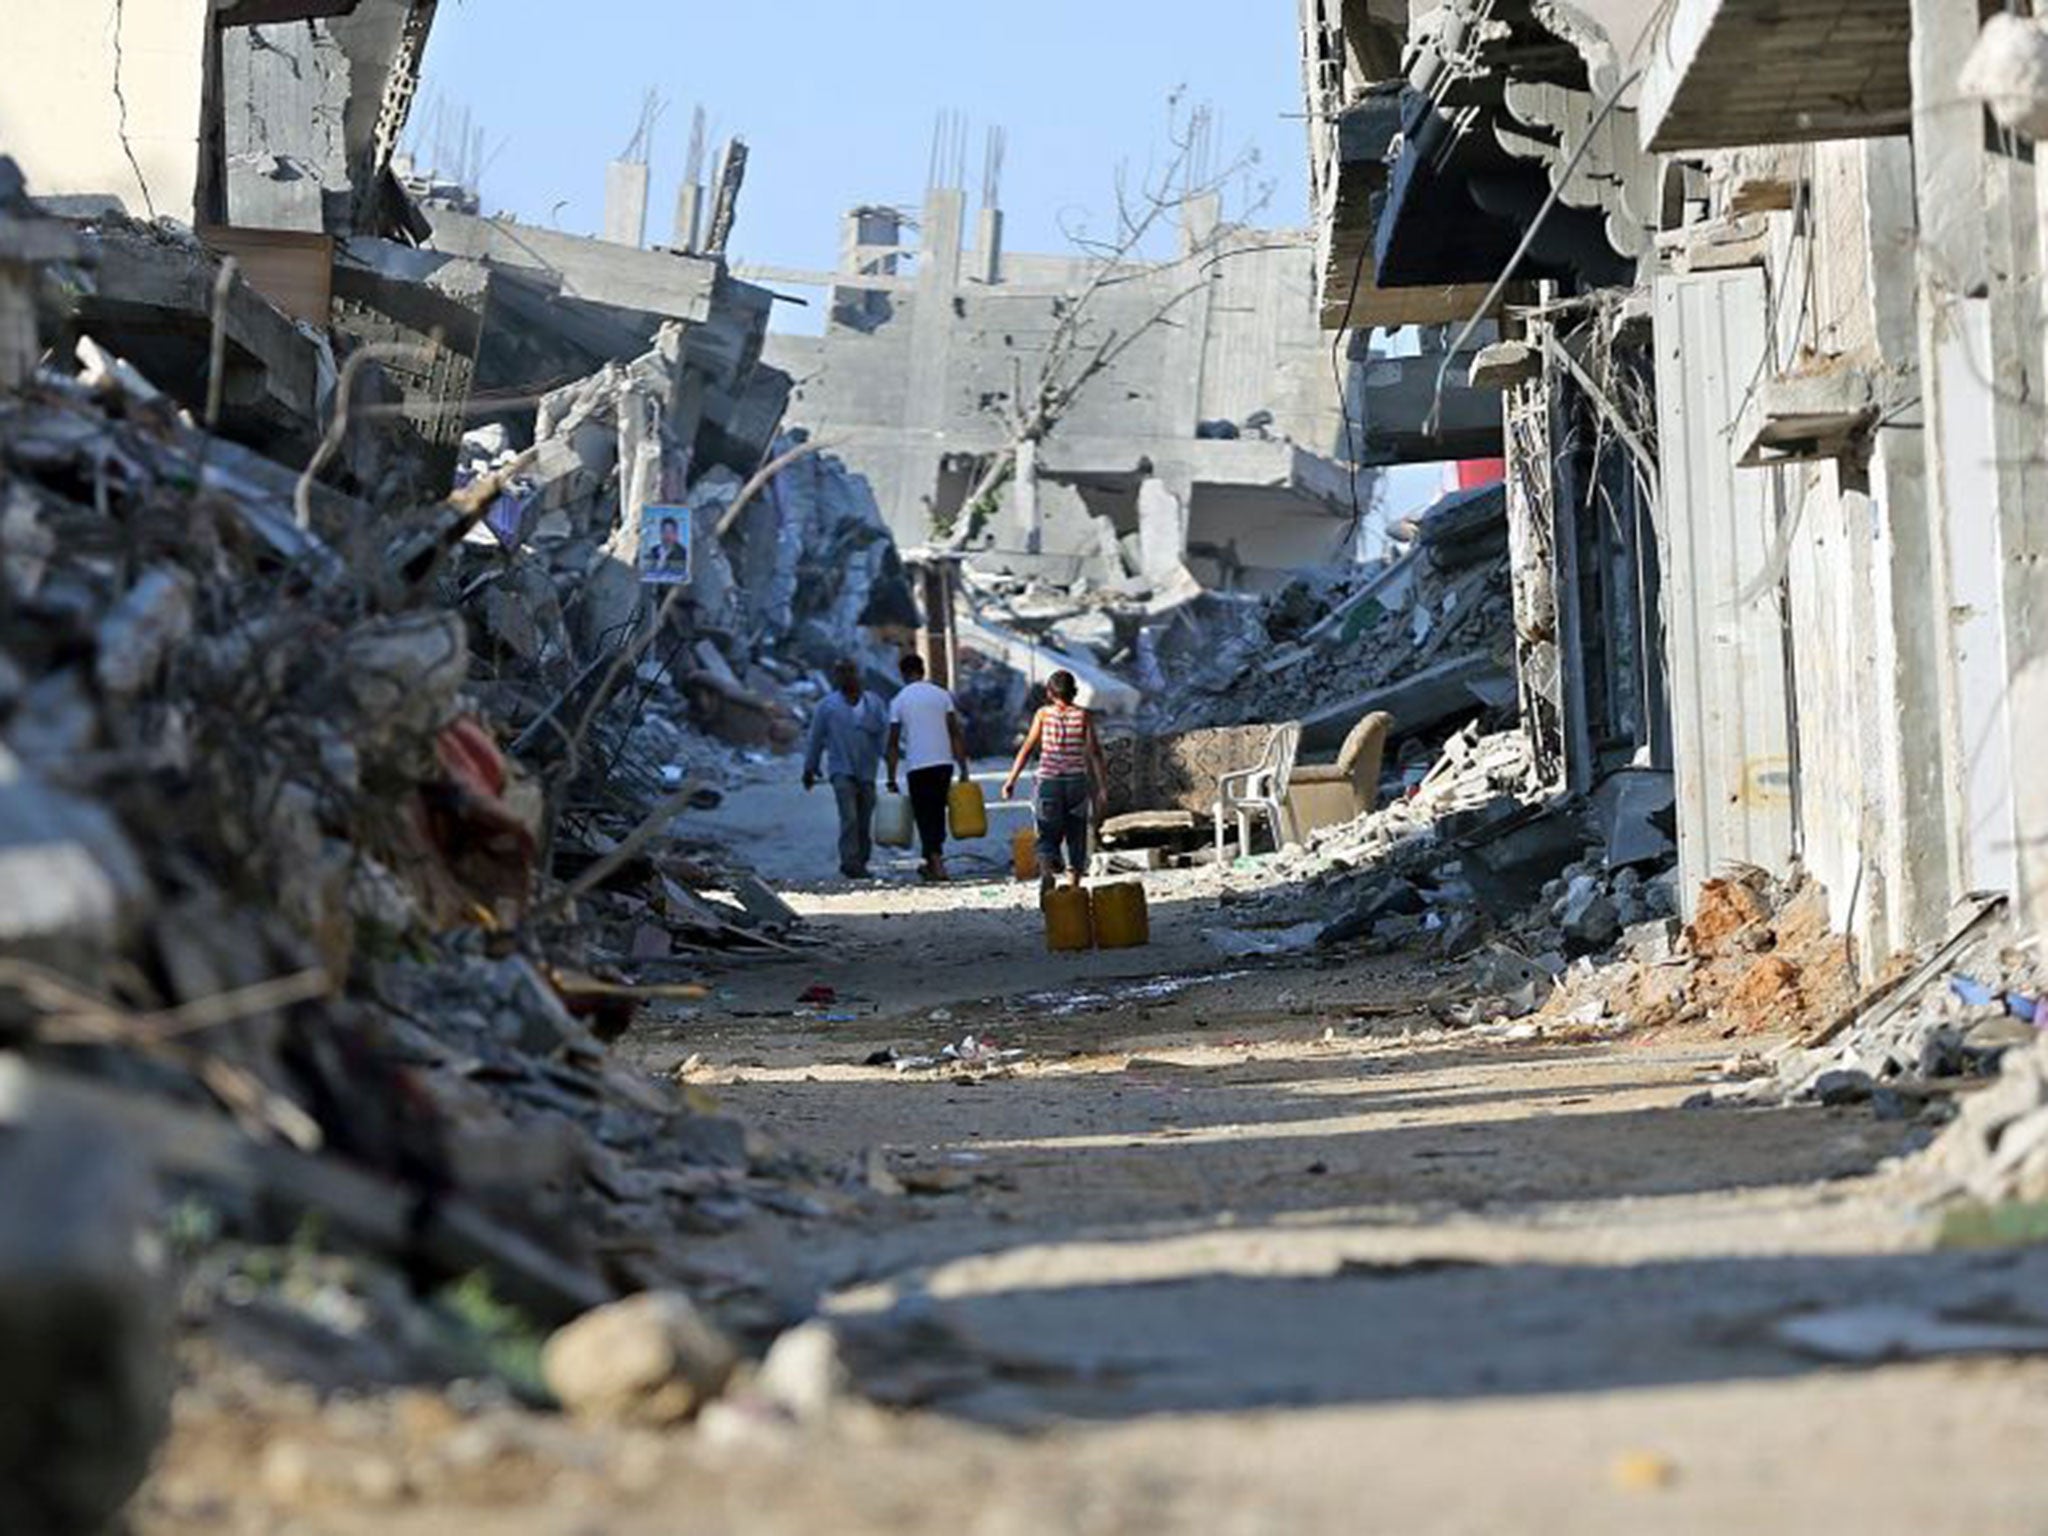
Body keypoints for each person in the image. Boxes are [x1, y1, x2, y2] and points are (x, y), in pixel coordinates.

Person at [1001, 670, 1109, 893]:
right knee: (1076, 834)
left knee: (1047, 832)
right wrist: (1101, 788)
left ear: (1050, 693)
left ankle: (1047, 873)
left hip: (1048, 782)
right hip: (1076, 784)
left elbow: (1028, 747)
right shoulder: (1083, 716)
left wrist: (1010, 780)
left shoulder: (1043, 714)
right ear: (1074, 693)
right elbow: (1094, 753)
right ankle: (1074, 885)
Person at [885, 653, 971, 882]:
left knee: (924, 815)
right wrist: (963, 767)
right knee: (937, 811)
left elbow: (892, 743)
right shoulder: (942, 695)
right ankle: (933, 861)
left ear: (903, 674)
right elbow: (955, 733)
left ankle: (935, 860)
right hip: (943, 764)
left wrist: (891, 778)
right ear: (923, 670)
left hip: (918, 765)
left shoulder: (899, 700)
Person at [802, 658, 888, 880]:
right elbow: (816, 738)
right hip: (841, 769)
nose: (847, 676)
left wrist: (891, 761)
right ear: (836, 677)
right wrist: (810, 768)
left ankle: (862, 860)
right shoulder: (827, 706)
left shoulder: (874, 704)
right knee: (849, 817)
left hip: (867, 769)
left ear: (859, 675)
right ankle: (850, 862)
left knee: (864, 818)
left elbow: (883, 735)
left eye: (850, 671)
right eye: (841, 673)